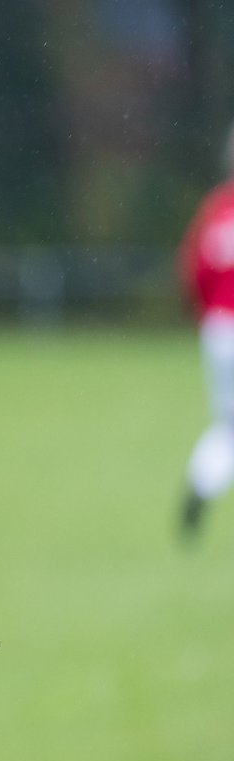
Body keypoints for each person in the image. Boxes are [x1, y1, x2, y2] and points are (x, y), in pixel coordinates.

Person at [179, 125, 234, 538]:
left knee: (228, 425)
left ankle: (203, 479)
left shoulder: (216, 208)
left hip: (218, 328)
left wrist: (207, 315)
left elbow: (193, 270)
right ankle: (205, 479)